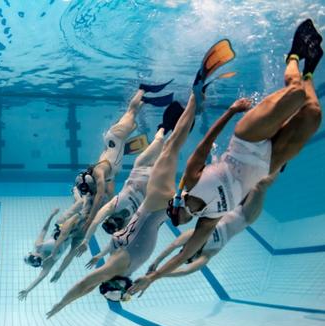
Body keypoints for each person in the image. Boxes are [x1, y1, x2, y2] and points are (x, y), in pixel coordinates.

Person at [133, 20, 323, 296]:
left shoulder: (190, 179)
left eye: (174, 218)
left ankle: (293, 54)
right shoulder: (207, 221)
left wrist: (233, 111)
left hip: (247, 141)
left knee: (294, 96)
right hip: (267, 163)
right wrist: (153, 278)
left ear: (177, 208)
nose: (179, 224)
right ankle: (310, 70)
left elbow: (207, 140)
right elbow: (182, 255)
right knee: (313, 115)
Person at [45, 39, 234, 317]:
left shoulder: (117, 260)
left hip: (155, 202)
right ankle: (195, 100)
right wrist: (62, 302)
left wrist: (91, 251)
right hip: (156, 203)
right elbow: (88, 282)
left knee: (172, 147)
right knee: (172, 147)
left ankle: (194, 107)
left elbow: (95, 269)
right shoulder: (121, 265)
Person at [79, 103, 183, 262]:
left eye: (112, 220)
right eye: (116, 225)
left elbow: (95, 220)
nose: (117, 220)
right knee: (170, 146)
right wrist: (101, 255)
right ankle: (177, 126)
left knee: (160, 139)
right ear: (119, 228)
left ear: (110, 218)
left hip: (141, 166)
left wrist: (86, 240)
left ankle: (163, 127)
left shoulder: (114, 205)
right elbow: (117, 240)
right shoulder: (132, 220)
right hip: (156, 176)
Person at [78, 83, 173, 234]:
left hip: (116, 137)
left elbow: (100, 195)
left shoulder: (99, 174)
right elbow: (109, 197)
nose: (93, 192)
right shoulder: (106, 178)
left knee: (131, 111)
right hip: (117, 141)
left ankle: (143, 89)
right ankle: (144, 100)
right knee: (132, 112)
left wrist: (90, 220)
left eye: (90, 189)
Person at [147, 172, 277, 278]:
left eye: (184, 251)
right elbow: (185, 271)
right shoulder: (207, 254)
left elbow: (172, 246)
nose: (187, 252)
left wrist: (156, 262)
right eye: (188, 256)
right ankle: (282, 161)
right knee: (260, 186)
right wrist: (160, 275)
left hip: (232, 204)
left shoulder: (194, 236)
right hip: (245, 216)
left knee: (250, 177)